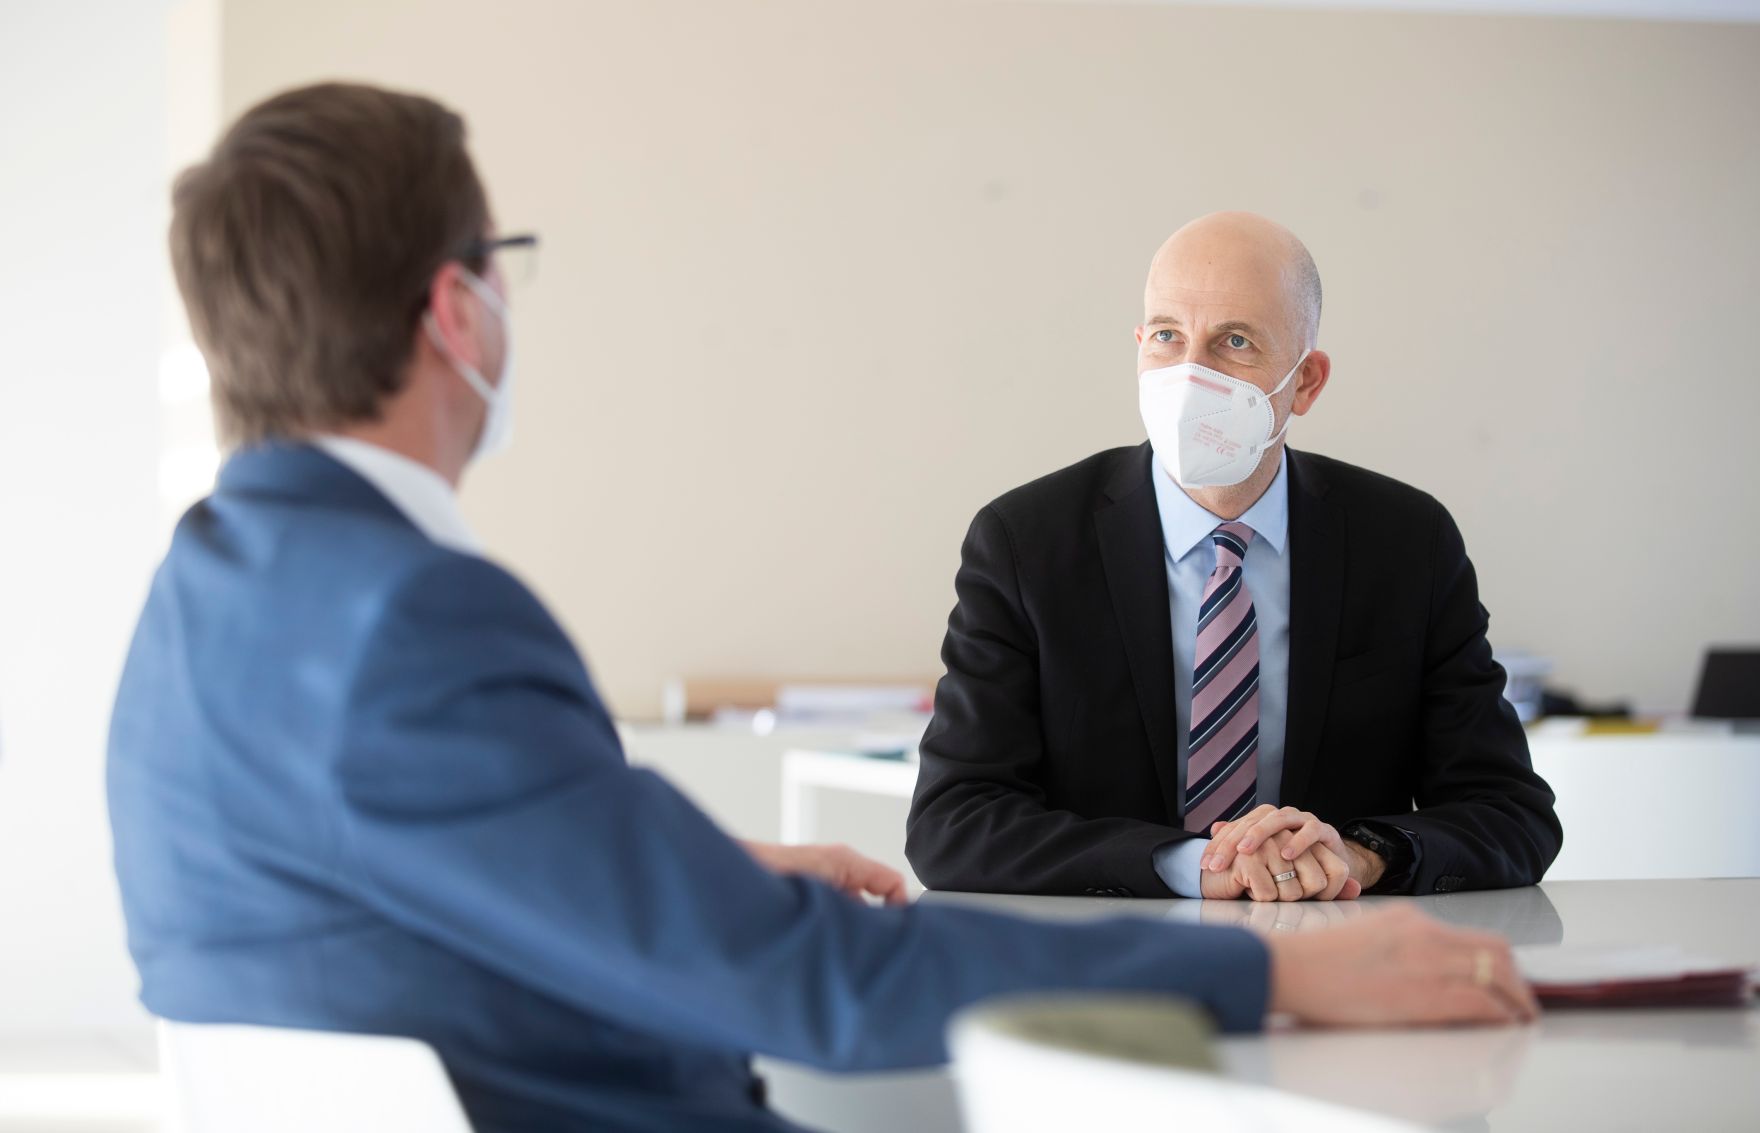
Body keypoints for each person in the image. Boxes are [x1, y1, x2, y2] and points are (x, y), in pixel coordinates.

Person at [108, 85, 1537, 1133]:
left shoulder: (218, 577)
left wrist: (698, 866)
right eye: (502, 264)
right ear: (453, 310)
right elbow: (820, 994)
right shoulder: (422, 619)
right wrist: (1275, 988)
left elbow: (392, 864)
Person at [906, 212, 1562, 903]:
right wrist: (1193, 867)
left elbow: (1509, 813)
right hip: (1100, 962)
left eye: (1235, 342)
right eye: (1167, 336)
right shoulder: (1026, 541)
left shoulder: (1405, 543)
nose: (1190, 375)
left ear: (1305, 382)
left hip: (1333, 952)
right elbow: (955, 821)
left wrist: (1362, 855)